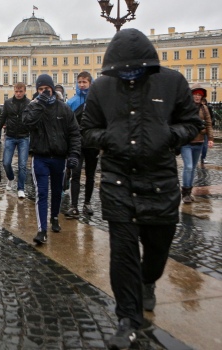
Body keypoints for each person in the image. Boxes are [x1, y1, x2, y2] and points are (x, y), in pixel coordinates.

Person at [80, 29, 202, 350]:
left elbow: (192, 123)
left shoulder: (172, 82)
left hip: (160, 183)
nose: (129, 74)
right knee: (123, 254)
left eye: (135, 69)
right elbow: (88, 129)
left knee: (158, 250)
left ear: (148, 64)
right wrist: (109, 138)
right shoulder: (102, 87)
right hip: (117, 182)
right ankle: (127, 319)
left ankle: (149, 280)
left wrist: (168, 135)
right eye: (123, 70)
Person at [23, 74, 81, 245]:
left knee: (57, 191)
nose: (43, 92)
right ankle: (42, 230)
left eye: (46, 89)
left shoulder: (64, 109)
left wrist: (73, 155)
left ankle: (55, 216)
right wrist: (39, 104)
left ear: (52, 88)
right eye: (40, 89)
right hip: (40, 157)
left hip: (59, 157)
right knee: (42, 193)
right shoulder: (32, 107)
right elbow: (26, 122)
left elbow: (74, 133)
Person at [65, 71, 99, 218]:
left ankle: (87, 203)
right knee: (76, 174)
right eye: (79, 82)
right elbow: (66, 123)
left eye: (84, 82)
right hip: (77, 143)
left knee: (90, 175)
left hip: (92, 144)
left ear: (90, 83)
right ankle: (73, 206)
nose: (82, 84)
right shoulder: (71, 102)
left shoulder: (96, 102)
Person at [0, 82, 31, 198]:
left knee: (22, 165)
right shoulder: (8, 103)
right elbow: (2, 118)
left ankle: (21, 188)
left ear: (24, 91)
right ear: (14, 91)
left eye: (21, 91)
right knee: (6, 162)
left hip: (24, 136)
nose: (18, 94)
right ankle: (10, 178)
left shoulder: (29, 104)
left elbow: (33, 120)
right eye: (16, 91)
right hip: (10, 136)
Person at [180, 84, 213, 203]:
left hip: (199, 141)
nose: (197, 97)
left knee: (193, 168)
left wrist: (210, 138)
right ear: (191, 95)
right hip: (186, 142)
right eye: (195, 94)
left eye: (199, 95)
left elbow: (209, 123)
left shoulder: (204, 108)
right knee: (188, 166)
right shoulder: (185, 107)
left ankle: (189, 192)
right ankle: (184, 193)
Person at [199, 96, 214, 165]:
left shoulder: (207, 108)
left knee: (205, 145)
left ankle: (203, 158)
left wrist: (210, 137)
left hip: (204, 130)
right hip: (197, 131)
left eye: (204, 101)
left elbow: (210, 119)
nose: (203, 103)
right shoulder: (196, 108)